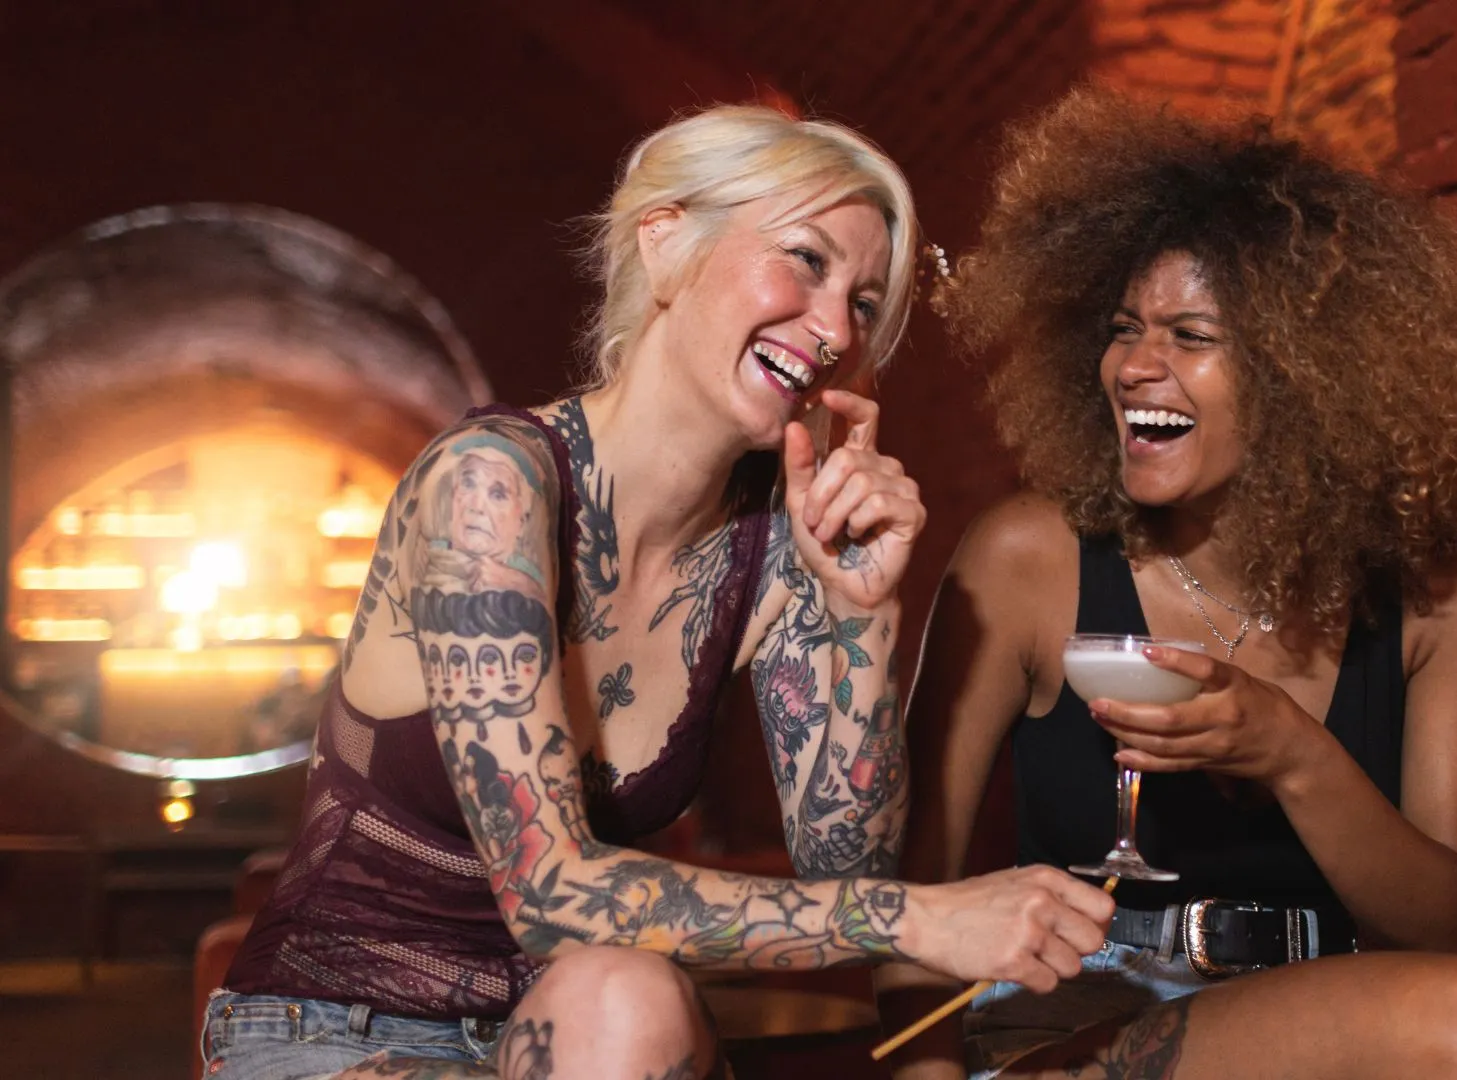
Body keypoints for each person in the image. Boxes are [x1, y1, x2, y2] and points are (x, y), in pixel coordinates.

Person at [205, 103, 1114, 1080]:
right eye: (806, 261)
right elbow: (551, 893)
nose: (831, 326)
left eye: (862, 301)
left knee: (620, 991)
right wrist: (930, 914)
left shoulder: (779, 541)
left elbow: (844, 879)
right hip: (339, 1033)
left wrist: (858, 614)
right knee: (617, 985)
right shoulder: (490, 483)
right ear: (668, 238)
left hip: (593, 1037)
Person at [873, 89, 1457, 1080]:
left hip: (1351, 1007)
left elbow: (1451, 926)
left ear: (1307, 379)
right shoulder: (1030, 559)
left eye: (1191, 339)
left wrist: (1292, 754)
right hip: (1085, 1014)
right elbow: (911, 890)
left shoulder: (1443, 596)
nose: (1135, 367)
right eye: (1125, 329)